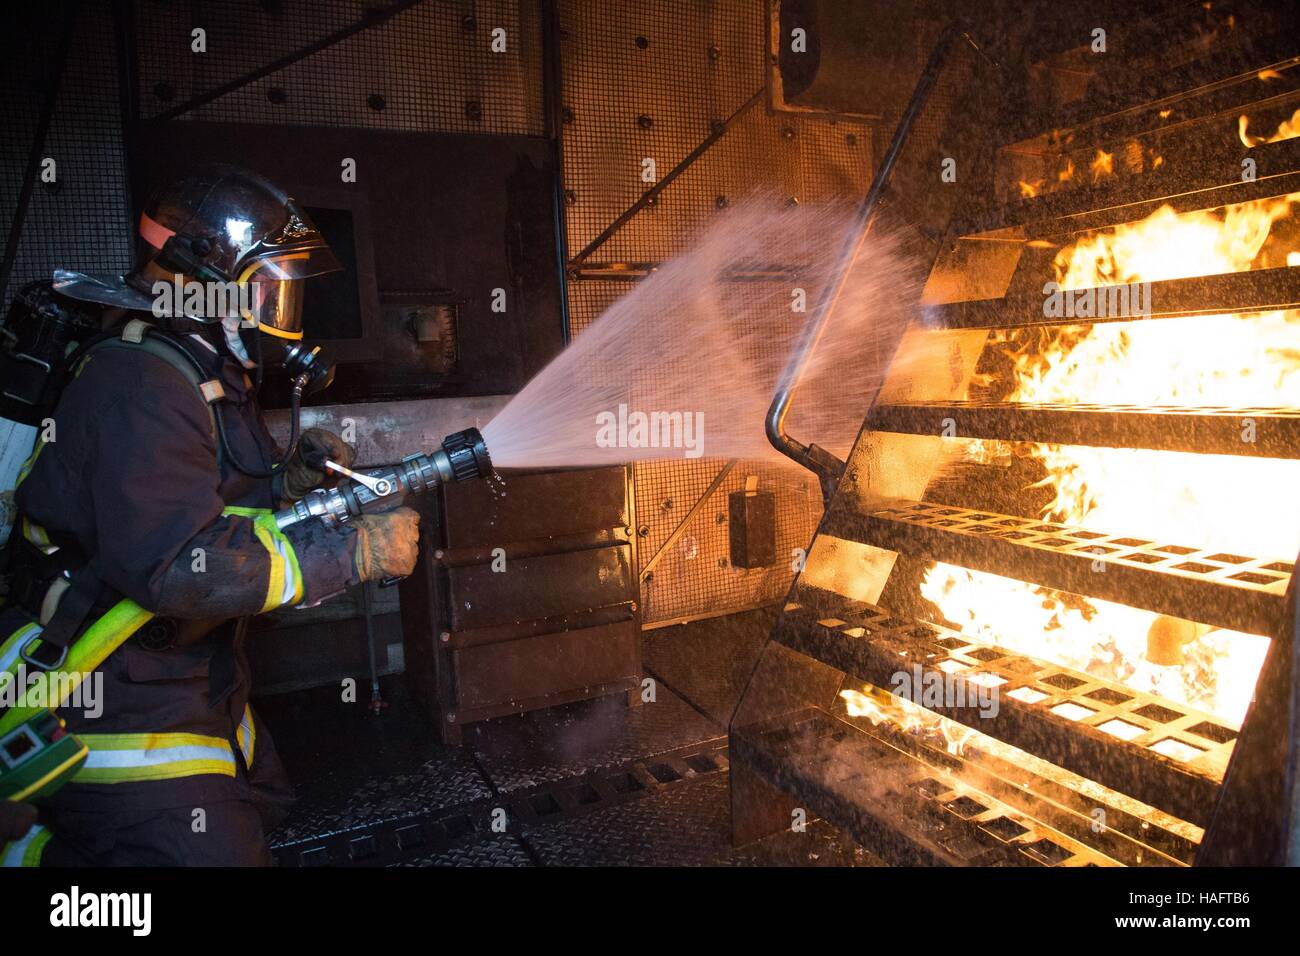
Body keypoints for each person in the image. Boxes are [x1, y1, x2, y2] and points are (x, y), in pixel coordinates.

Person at [0, 165, 420, 865]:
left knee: (264, 799)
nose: (279, 312)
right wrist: (350, 557)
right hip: (110, 696)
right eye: (266, 287)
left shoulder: (196, 367)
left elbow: (201, 498)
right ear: (198, 278)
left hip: (187, 675)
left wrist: (283, 482)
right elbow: (174, 563)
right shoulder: (139, 382)